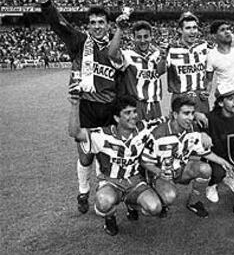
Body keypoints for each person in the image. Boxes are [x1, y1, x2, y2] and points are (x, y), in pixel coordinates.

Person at [27, 0, 123, 214]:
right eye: (93, 23)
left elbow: (122, 80)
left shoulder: (116, 48)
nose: (98, 26)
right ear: (89, 25)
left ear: (108, 25)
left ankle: (105, 202)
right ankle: (83, 192)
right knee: (86, 156)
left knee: (106, 157)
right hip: (86, 108)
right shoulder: (80, 42)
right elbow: (58, 24)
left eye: (102, 22)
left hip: (110, 110)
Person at [68, 93, 165, 236]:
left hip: (134, 181)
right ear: (117, 118)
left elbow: (170, 119)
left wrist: (199, 120)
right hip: (110, 182)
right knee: (104, 203)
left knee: (155, 207)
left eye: (134, 111)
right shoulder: (101, 135)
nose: (133, 116)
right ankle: (109, 217)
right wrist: (75, 105)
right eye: (127, 113)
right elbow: (75, 133)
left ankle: (130, 203)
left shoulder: (144, 128)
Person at [141, 96, 234, 218]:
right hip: (160, 174)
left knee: (205, 169)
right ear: (174, 114)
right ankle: (156, 195)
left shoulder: (191, 129)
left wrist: (224, 163)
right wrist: (159, 172)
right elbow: (145, 162)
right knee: (169, 196)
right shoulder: (158, 134)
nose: (190, 118)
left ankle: (194, 202)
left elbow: (205, 153)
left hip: (180, 169)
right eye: (186, 114)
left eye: (192, 113)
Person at [109, 17, 165, 120]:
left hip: (155, 105)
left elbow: (161, 71)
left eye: (146, 36)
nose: (143, 40)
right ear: (133, 38)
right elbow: (112, 54)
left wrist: (164, 56)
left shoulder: (157, 55)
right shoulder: (128, 55)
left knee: (156, 134)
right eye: (139, 37)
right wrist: (120, 29)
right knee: (137, 135)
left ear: (151, 37)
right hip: (136, 106)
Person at [165, 12, 211, 127]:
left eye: (195, 27)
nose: (192, 31)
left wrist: (209, 86)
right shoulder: (171, 49)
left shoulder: (204, 46)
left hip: (201, 99)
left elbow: (213, 67)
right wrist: (162, 55)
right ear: (180, 30)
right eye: (188, 28)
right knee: (182, 137)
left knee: (203, 136)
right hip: (180, 99)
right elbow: (158, 71)